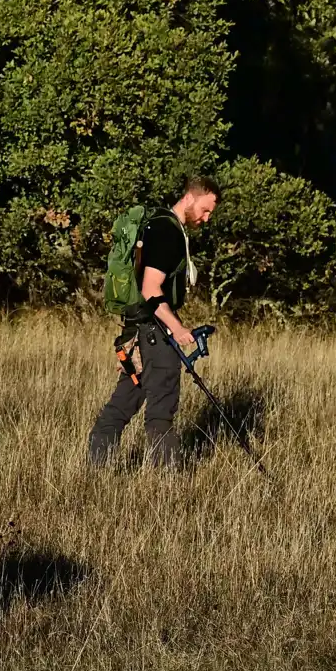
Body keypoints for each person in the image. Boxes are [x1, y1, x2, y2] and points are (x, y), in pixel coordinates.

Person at [87, 176, 220, 467]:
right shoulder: (167, 232)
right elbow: (150, 288)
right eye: (205, 210)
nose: (206, 218)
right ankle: (167, 486)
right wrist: (178, 328)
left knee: (123, 402)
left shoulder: (157, 226)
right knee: (161, 410)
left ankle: (95, 472)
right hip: (154, 337)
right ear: (190, 198)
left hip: (137, 333)